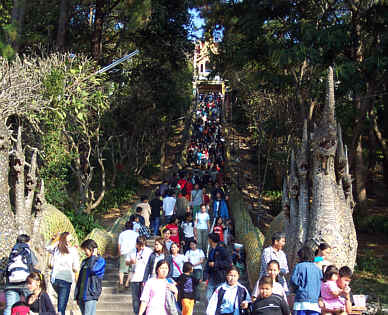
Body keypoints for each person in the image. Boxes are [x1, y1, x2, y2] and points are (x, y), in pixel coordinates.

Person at [46, 232, 80, 315]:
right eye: (71, 240)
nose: (71, 242)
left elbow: (47, 247)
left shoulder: (57, 249)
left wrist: (53, 239)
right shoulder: (73, 250)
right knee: (62, 306)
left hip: (54, 279)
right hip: (65, 279)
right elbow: (75, 267)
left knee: (60, 300)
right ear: (67, 241)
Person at [4, 234, 38, 315]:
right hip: (26, 283)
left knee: (10, 307)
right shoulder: (28, 250)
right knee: (31, 306)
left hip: (11, 284)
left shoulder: (13, 251)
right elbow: (35, 263)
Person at [74, 239, 106, 315]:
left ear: (92, 249)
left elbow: (93, 269)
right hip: (81, 294)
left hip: (91, 293)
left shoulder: (100, 261)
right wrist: (77, 294)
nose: (85, 253)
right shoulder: (84, 261)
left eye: (86, 250)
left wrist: (93, 256)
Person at [290, 246, 323, 315]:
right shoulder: (318, 269)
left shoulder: (299, 266)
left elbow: (294, 281)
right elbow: (321, 285)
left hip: (301, 301)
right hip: (314, 303)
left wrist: (296, 290)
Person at [126, 236, 153, 315]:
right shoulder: (132, 251)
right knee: (135, 299)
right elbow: (126, 262)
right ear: (137, 244)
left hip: (145, 278)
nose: (142, 247)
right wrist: (131, 261)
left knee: (144, 299)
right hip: (134, 278)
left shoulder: (149, 251)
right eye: (140, 245)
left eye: (143, 245)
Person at [204, 233, 233, 301]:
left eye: (209, 239)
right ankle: (211, 311)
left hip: (220, 277)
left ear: (211, 240)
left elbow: (229, 262)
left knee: (220, 297)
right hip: (211, 277)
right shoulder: (211, 250)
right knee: (208, 297)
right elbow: (208, 264)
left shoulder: (222, 250)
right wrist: (205, 276)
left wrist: (215, 264)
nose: (208, 240)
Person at [118, 221, 139, 291]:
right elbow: (138, 244)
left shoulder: (122, 234)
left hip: (124, 252)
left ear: (125, 227)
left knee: (122, 269)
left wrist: (119, 252)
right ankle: (127, 283)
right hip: (133, 253)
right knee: (131, 270)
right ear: (132, 227)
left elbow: (119, 244)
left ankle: (121, 283)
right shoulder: (136, 234)